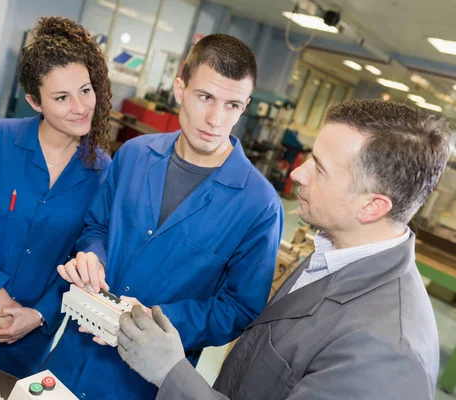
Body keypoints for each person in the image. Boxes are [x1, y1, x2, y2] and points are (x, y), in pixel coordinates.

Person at [117, 99, 452, 400]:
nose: (297, 173)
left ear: (372, 207)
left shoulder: (385, 354)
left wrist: (171, 373)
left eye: (319, 169)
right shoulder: (333, 253)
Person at [42, 34, 283, 399]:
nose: (216, 119)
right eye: (206, 97)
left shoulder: (259, 204)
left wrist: (156, 319)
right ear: (180, 88)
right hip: (74, 353)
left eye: (232, 105)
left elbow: (239, 308)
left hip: (142, 380)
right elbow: (98, 227)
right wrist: (92, 255)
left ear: (245, 106)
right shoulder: (135, 155)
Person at [0, 16, 112, 378]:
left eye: (85, 90)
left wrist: (41, 314)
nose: (80, 107)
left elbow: (87, 253)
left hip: (29, 334)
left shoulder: (103, 173)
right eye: (61, 97)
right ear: (34, 101)